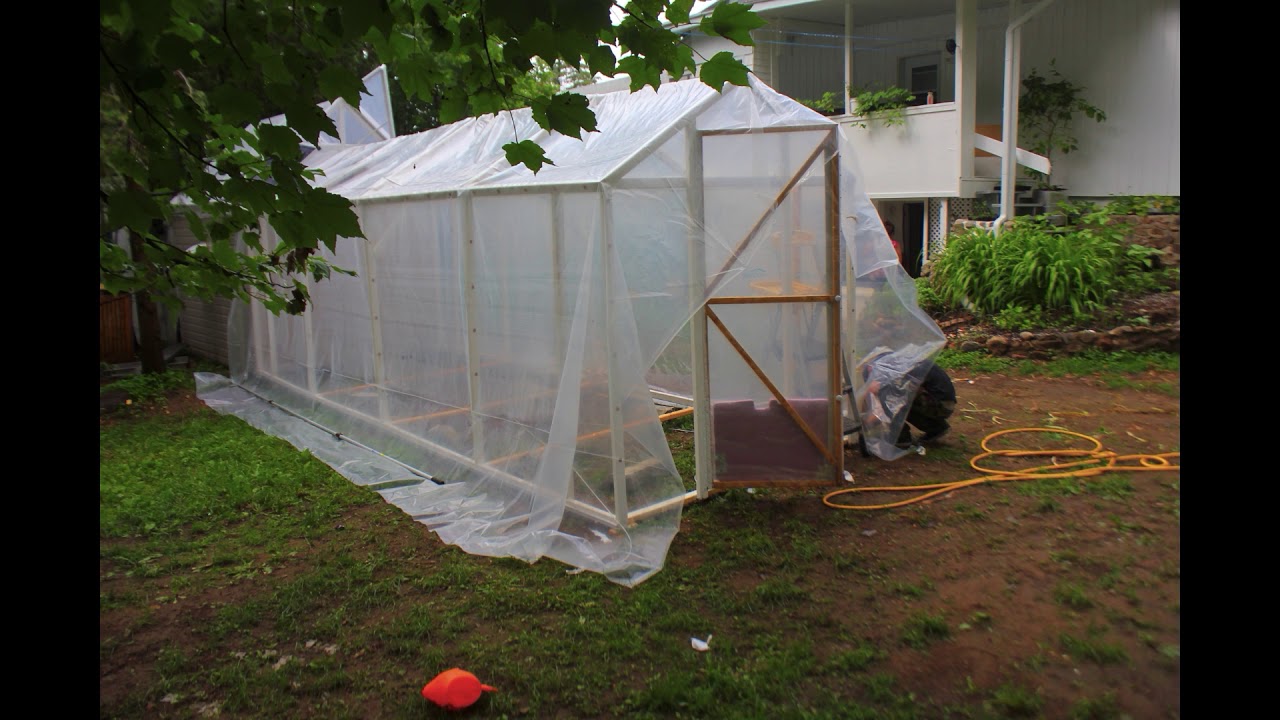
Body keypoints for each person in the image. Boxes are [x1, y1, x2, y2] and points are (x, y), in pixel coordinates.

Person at [858, 351, 956, 450]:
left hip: (940, 404)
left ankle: (901, 438)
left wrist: (869, 421)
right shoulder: (902, 362)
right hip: (942, 402)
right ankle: (937, 428)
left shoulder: (905, 368)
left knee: (892, 398)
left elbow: (898, 399)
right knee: (894, 397)